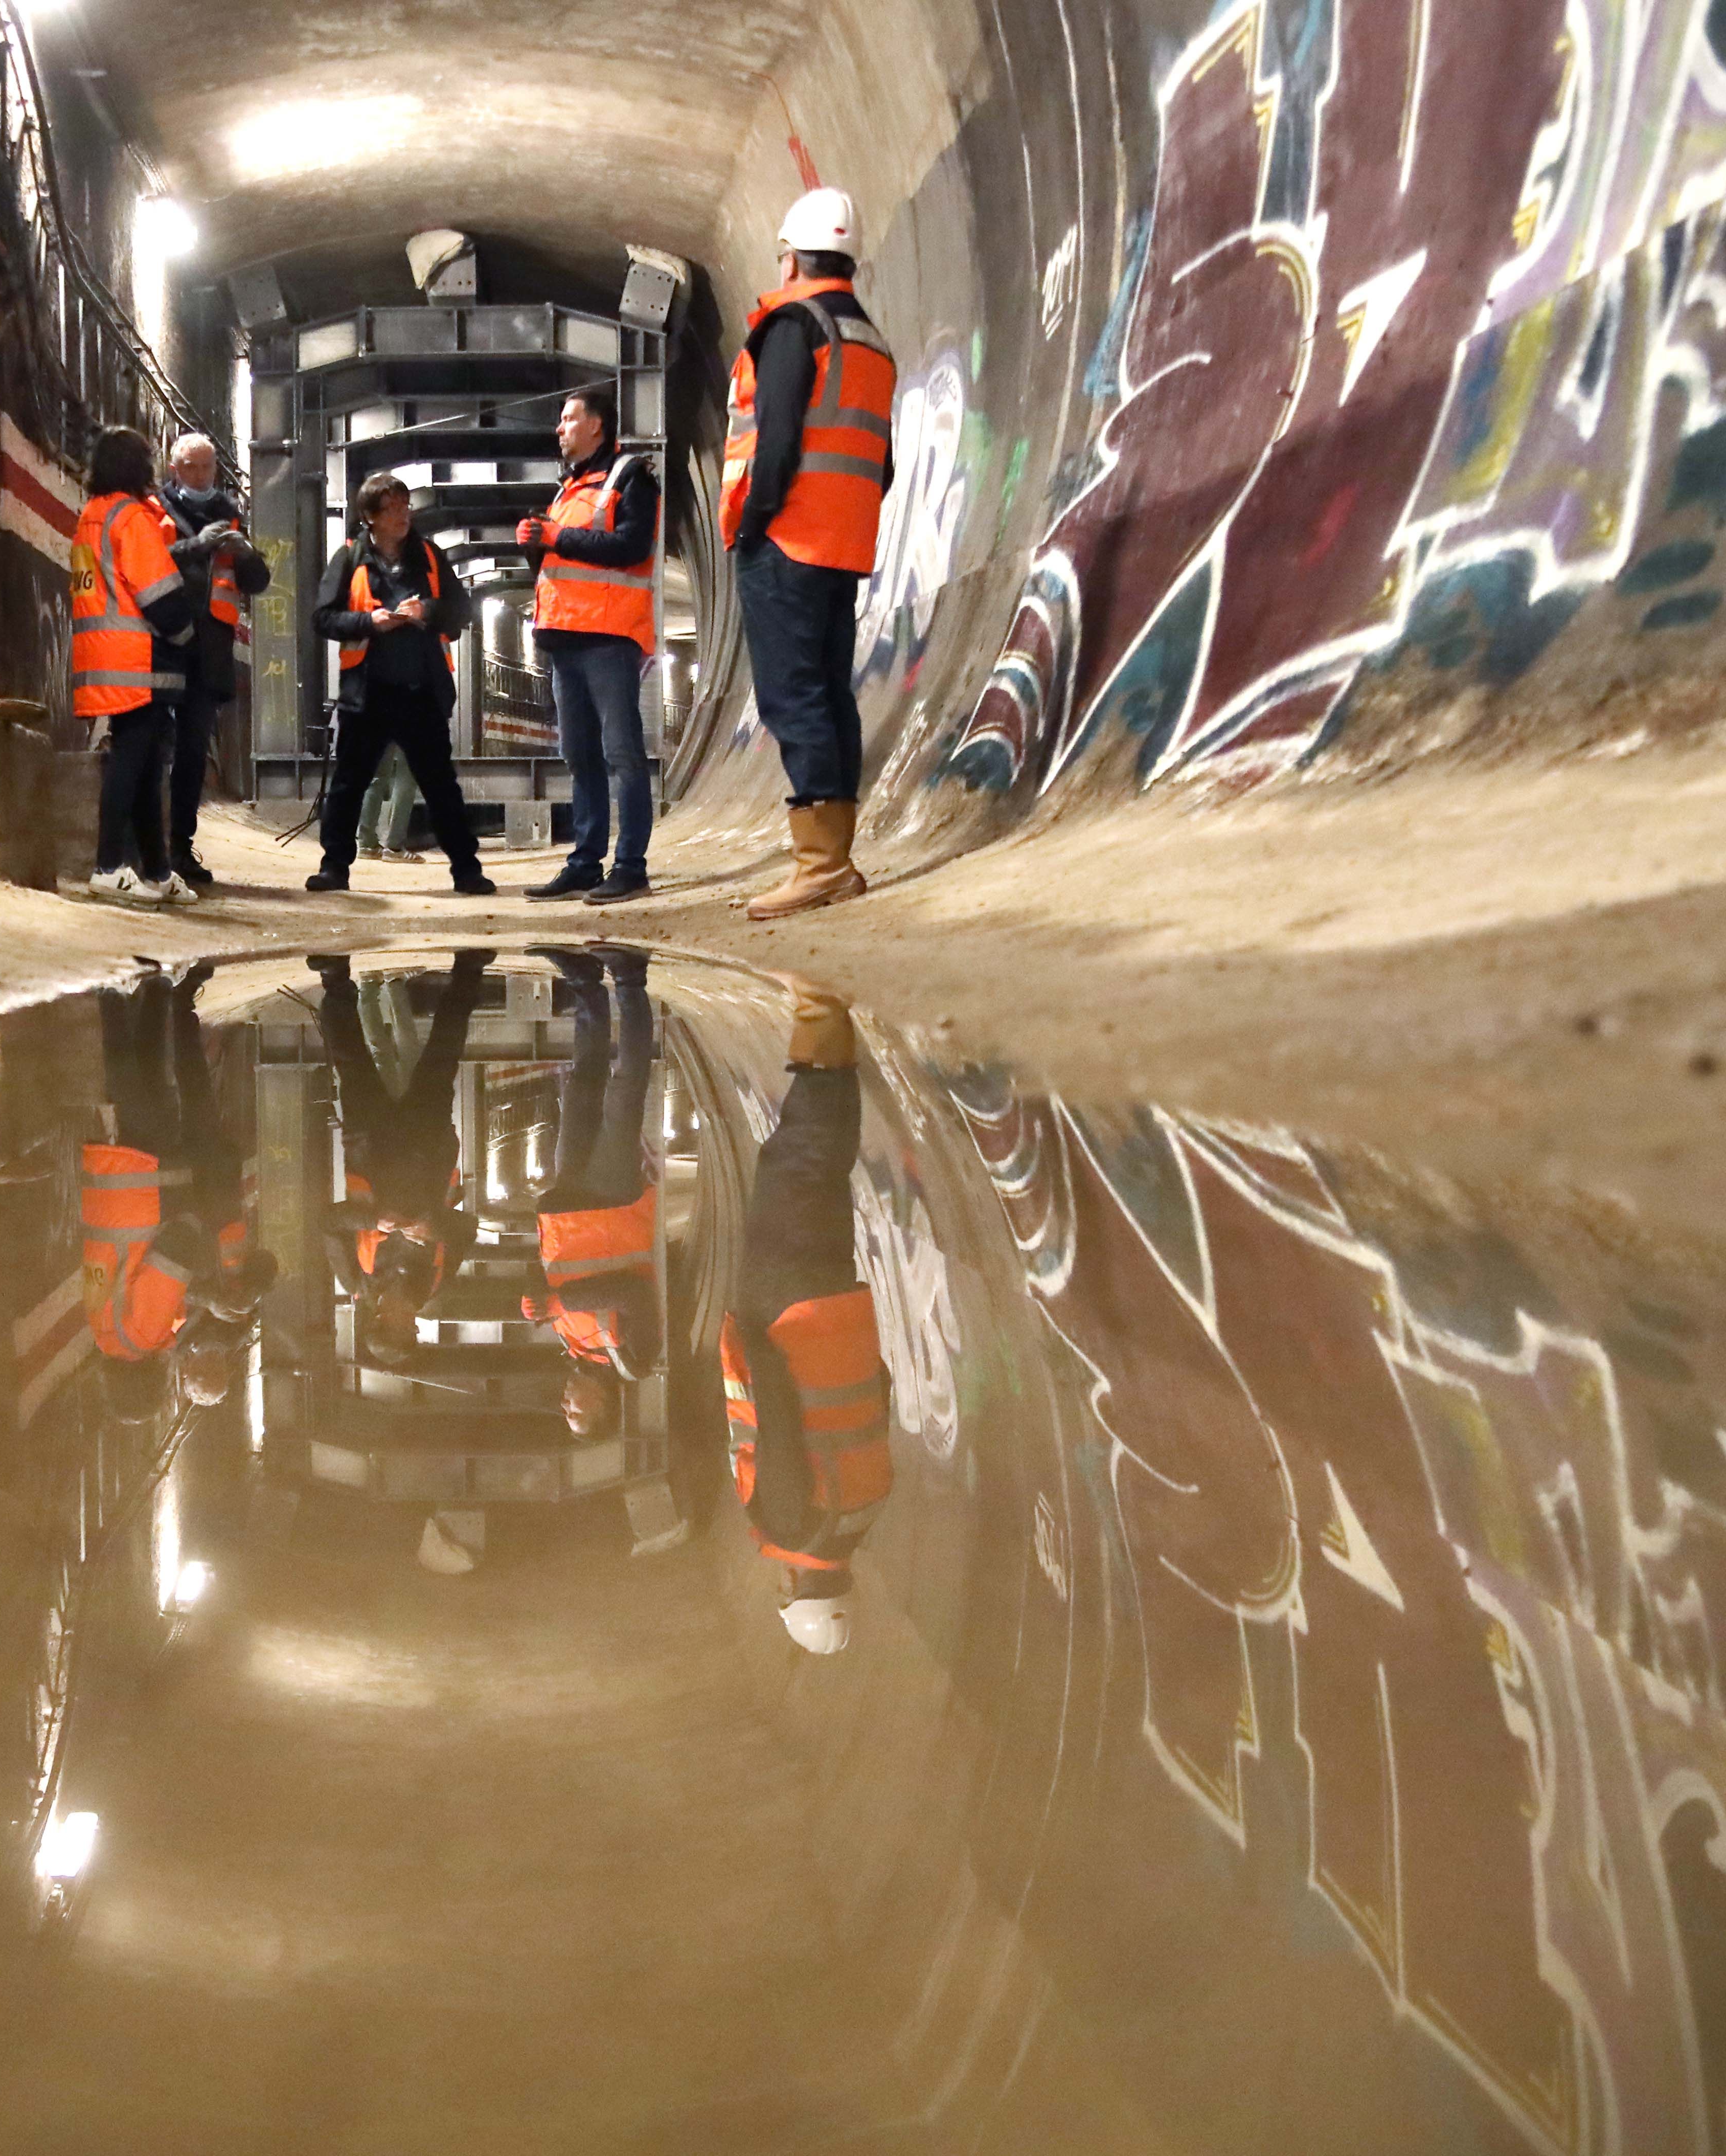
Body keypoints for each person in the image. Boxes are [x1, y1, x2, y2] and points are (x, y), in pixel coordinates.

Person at [723, 188, 897, 923]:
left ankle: (820, 867)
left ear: (791, 258)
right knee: (829, 693)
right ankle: (835, 860)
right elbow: (879, 464)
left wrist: (756, 519)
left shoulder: (795, 325)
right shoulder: (870, 340)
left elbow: (778, 439)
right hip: (842, 541)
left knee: (792, 697)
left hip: (786, 539)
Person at [721, 978, 891, 1654]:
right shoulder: (790, 1526)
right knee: (794, 1165)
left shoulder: (865, 1515)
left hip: (835, 1318)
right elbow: (777, 1426)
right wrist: (754, 1339)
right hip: (783, 1318)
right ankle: (821, 1009)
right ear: (793, 1595)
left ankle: (832, 1044)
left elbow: (878, 1403)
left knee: (820, 1175)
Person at [308, 475, 496, 896]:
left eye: (405, 506)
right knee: (349, 783)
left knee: (440, 784)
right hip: (367, 693)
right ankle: (334, 867)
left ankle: (467, 869)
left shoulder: (429, 556)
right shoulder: (349, 558)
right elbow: (322, 618)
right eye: (392, 509)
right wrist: (368, 622)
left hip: (421, 692)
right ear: (370, 517)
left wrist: (425, 612)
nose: (402, 515)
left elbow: (460, 612)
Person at [83, 968, 270, 1367]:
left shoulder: (145, 1335)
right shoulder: (108, 1324)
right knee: (156, 1085)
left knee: (136, 1088)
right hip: (141, 1188)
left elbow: (173, 1257)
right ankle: (158, 991)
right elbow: (107, 1269)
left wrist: (194, 1226)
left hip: (155, 1191)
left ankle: (116, 995)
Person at [315, 949, 493, 1367]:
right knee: (441, 1055)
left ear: (378, 1319)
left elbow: (326, 1223)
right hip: (426, 1145)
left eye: (399, 1326)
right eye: (411, 1328)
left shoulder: (357, 1279)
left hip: (368, 1146)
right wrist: (432, 1227)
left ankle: (335, 978)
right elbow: (467, 1229)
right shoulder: (433, 1284)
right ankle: (468, 971)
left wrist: (370, 1221)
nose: (409, 1320)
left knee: (350, 1059)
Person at [518, 387, 660, 905]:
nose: (559, 428)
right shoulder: (567, 489)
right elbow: (558, 564)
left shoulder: (630, 477)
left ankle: (630, 867)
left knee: (621, 753)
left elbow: (631, 545)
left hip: (608, 636)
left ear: (597, 425)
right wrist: (537, 543)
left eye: (568, 419)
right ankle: (585, 862)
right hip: (564, 638)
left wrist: (555, 537)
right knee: (579, 756)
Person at [520, 947, 663, 1440]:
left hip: (568, 1205)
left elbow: (560, 1276)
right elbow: (632, 1293)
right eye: (576, 1414)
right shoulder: (636, 1359)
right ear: (603, 1407)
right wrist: (561, 1305)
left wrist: (538, 1298)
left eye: (564, 1414)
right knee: (625, 1090)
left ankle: (585, 985)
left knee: (581, 1087)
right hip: (610, 1204)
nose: (566, 1405)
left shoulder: (574, 1346)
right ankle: (629, 978)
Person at [70, 426, 204, 906]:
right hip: (138, 660)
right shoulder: (132, 519)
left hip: (103, 657)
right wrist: (189, 638)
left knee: (146, 765)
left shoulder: (92, 516)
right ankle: (108, 866)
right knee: (132, 763)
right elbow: (160, 595)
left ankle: (157, 871)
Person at [157, 434, 270, 888]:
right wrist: (194, 547)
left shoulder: (231, 515)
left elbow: (258, 581)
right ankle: (149, 846)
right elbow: (147, 561)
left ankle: (180, 848)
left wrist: (246, 557)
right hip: (164, 642)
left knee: (191, 755)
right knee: (153, 747)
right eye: (190, 467)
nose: (200, 476)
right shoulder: (156, 510)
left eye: (206, 468)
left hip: (209, 654)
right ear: (174, 469)